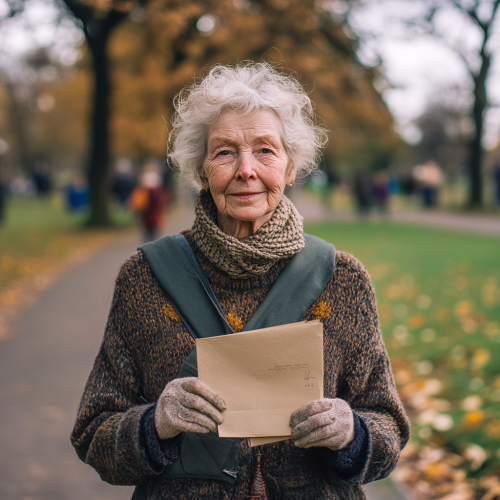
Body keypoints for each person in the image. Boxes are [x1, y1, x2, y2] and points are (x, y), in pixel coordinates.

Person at [71, 63, 410, 500]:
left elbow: (388, 431)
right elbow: (94, 433)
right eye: (225, 151)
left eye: (265, 150)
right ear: (202, 170)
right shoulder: (144, 277)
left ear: (290, 168)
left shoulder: (343, 279)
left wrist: (353, 433)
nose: (246, 169)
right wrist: (155, 423)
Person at [130, 163, 170, 242]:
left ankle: (147, 239)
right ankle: (154, 239)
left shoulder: (142, 178)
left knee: (147, 224)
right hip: (153, 206)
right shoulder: (156, 179)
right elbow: (160, 196)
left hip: (146, 205)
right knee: (154, 224)